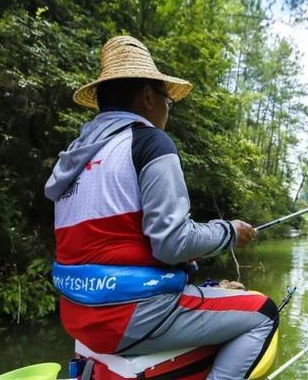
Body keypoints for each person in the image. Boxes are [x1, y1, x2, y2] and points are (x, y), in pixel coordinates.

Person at [44, 36, 278, 380]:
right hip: (131, 317)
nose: (168, 109)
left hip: (77, 317)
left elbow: (115, 243)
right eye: (168, 100)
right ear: (148, 96)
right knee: (264, 313)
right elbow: (171, 243)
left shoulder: (75, 156)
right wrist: (229, 231)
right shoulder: (150, 141)